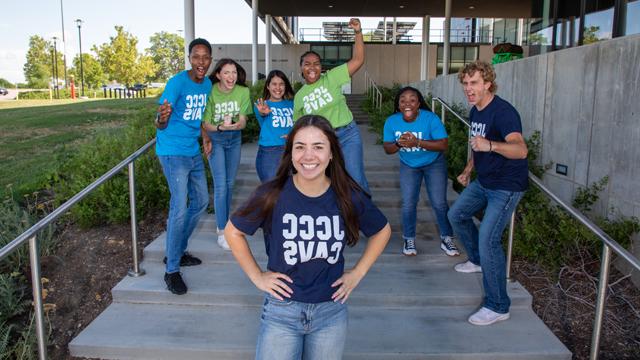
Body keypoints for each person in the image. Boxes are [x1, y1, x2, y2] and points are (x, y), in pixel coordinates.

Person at [225, 115, 391, 360]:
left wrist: (357, 273)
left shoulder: (347, 195)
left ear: (332, 153)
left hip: (331, 313)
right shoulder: (272, 194)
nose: (308, 156)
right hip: (282, 311)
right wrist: (257, 276)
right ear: (291, 153)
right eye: (300, 147)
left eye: (318, 147)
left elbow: (382, 230)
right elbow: (233, 231)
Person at [448, 60, 528, 326]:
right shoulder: (476, 111)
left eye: (474, 84)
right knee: (456, 214)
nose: (468, 89)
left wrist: (491, 145)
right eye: (465, 84)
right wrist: (469, 168)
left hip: (505, 186)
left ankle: (497, 305)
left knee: (489, 238)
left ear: (488, 83)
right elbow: (476, 144)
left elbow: (520, 150)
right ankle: (479, 260)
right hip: (484, 180)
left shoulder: (503, 112)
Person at [154, 38, 213, 295]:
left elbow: (200, 117)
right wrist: (161, 119)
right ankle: (172, 270)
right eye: (196, 56)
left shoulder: (208, 84)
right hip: (172, 152)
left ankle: (176, 250)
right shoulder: (177, 83)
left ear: (210, 60)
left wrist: (206, 136)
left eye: (206, 57)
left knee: (200, 201)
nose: (201, 62)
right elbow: (161, 119)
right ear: (190, 58)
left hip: (191, 150)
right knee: (179, 208)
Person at [293, 18, 370, 193]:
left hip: (347, 134)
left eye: (316, 63)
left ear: (322, 67)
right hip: (322, 141)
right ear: (301, 69)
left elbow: (358, 59)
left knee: (356, 179)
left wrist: (358, 32)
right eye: (307, 64)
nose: (312, 67)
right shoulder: (299, 97)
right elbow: (298, 126)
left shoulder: (332, 77)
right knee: (328, 182)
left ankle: (365, 217)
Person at [382, 87, 459, 257]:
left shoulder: (430, 118)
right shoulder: (392, 121)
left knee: (439, 202)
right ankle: (409, 238)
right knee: (409, 203)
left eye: (412, 100)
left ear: (418, 104)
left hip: (434, 163)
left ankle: (447, 238)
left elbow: (443, 144)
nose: (407, 104)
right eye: (403, 100)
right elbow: (388, 149)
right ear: (398, 104)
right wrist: (399, 144)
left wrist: (417, 142)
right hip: (409, 165)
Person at [202, 58, 253, 250]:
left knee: (230, 184)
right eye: (227, 73)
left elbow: (243, 120)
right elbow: (205, 123)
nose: (231, 76)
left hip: (234, 139)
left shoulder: (243, 91)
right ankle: (222, 230)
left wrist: (239, 124)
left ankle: (225, 223)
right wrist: (219, 128)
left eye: (234, 72)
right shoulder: (210, 91)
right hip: (217, 139)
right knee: (221, 185)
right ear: (218, 75)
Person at [254, 70, 295, 183]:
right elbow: (262, 114)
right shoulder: (261, 105)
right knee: (271, 191)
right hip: (270, 152)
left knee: (288, 191)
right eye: (274, 84)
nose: (278, 87)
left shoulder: (292, 104)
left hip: (291, 151)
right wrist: (264, 112)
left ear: (285, 86)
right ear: (268, 86)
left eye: (281, 84)